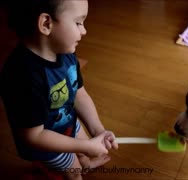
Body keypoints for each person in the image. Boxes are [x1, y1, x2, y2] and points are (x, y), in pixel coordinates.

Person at [0, 0, 118, 179]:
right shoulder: (23, 75)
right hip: (46, 144)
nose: (84, 30)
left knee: (85, 148)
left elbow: (80, 93)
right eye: (78, 22)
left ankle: (84, 162)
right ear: (46, 23)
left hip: (67, 121)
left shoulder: (65, 51)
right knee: (74, 172)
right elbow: (34, 136)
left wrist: (98, 130)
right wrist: (84, 146)